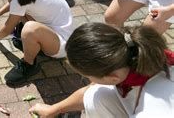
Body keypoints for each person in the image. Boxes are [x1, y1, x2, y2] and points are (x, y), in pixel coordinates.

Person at [29, 22, 174, 117]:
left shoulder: (153, 111)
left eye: (87, 77)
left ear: (113, 78)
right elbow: (91, 89)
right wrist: (53, 110)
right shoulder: (138, 58)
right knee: (95, 96)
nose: (89, 81)